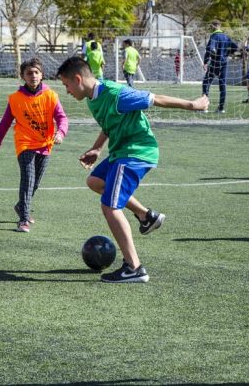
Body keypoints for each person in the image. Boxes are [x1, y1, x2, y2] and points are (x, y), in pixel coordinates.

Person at [56, 56, 209, 283]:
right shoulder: (92, 99)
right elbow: (110, 125)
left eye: (66, 85)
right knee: (95, 181)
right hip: (121, 153)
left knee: (110, 206)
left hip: (136, 153)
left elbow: (155, 99)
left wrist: (192, 105)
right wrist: (97, 149)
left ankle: (134, 268)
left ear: (78, 79)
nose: (67, 91)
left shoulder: (117, 94)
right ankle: (146, 216)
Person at [0, 58, 68, 232]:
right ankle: (24, 219)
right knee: (27, 179)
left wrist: (61, 132)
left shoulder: (51, 96)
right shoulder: (15, 99)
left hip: (45, 144)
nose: (33, 75)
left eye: (36, 72)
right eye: (29, 73)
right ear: (23, 77)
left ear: (42, 75)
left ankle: (20, 206)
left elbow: (62, 118)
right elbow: (4, 124)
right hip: (24, 143)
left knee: (35, 182)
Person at [202, 20, 239, 113]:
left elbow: (210, 49)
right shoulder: (226, 36)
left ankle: (204, 107)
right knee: (222, 85)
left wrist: (205, 62)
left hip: (215, 63)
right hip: (224, 63)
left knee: (206, 83)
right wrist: (227, 53)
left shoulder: (214, 36)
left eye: (211, 26)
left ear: (214, 26)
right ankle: (221, 108)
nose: (210, 27)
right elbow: (235, 47)